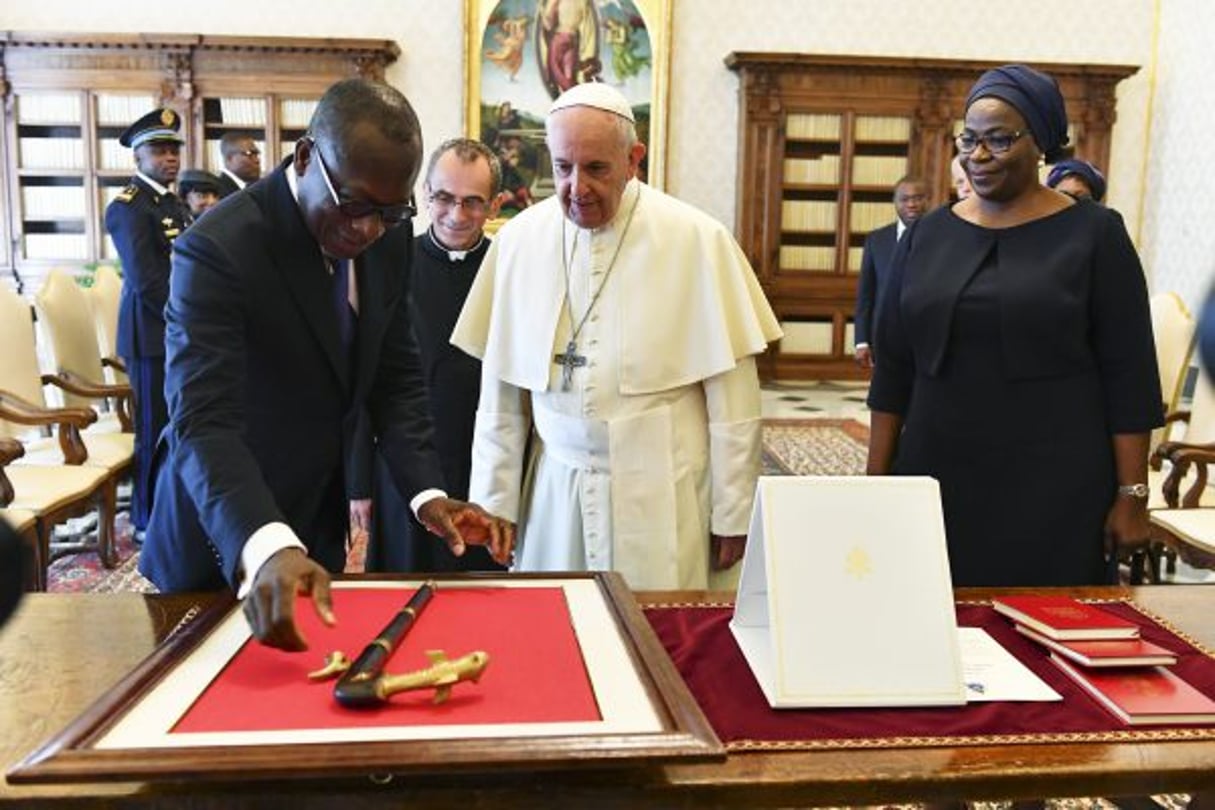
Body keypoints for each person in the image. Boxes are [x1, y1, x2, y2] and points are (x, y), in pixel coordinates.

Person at [139, 78, 510, 651]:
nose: (365, 229)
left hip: (316, 525)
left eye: (389, 211)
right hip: (222, 531)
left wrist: (426, 494)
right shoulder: (219, 248)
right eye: (355, 205)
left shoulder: (388, 241)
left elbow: (395, 377)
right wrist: (264, 543)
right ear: (307, 156)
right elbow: (202, 421)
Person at [451, 82, 781, 590]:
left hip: (664, 487)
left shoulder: (695, 239)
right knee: (560, 629)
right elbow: (500, 395)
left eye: (597, 168)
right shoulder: (519, 241)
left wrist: (733, 512)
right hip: (556, 487)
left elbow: (733, 402)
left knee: (663, 638)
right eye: (563, 167)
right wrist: (495, 503)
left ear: (634, 159)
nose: (576, 187)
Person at [866, 64, 1163, 587]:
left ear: (1042, 142)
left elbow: (1129, 374)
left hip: (1057, 483)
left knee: (1049, 631)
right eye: (970, 139)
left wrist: (1131, 496)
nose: (978, 156)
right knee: (934, 618)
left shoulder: (1095, 234)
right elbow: (893, 368)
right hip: (937, 471)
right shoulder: (926, 235)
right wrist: (873, 483)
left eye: (999, 140)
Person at [363, 137, 506, 573]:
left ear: (496, 205)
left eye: (473, 202)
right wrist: (357, 482)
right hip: (405, 460)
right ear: (425, 194)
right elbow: (364, 377)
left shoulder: (511, 266)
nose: (456, 215)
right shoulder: (387, 259)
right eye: (444, 198)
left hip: (484, 458)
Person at [104, 107, 190, 537]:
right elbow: (148, 280)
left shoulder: (172, 201)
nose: (170, 157)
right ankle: (145, 518)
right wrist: (186, 321)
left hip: (174, 332)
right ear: (138, 156)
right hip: (151, 335)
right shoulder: (129, 208)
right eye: (159, 150)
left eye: (174, 149)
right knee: (152, 429)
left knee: (176, 427)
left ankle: (169, 511)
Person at [853, 175, 928, 369]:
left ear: (928, 200)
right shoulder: (876, 240)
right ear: (894, 202)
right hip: (885, 337)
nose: (912, 204)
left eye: (918, 198)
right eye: (904, 199)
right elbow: (866, 295)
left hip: (928, 338)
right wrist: (862, 341)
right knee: (888, 398)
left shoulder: (943, 238)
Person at [215, 132, 262, 198]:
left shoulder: (255, 188)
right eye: (249, 154)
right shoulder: (217, 193)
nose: (257, 160)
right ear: (229, 158)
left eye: (256, 154)